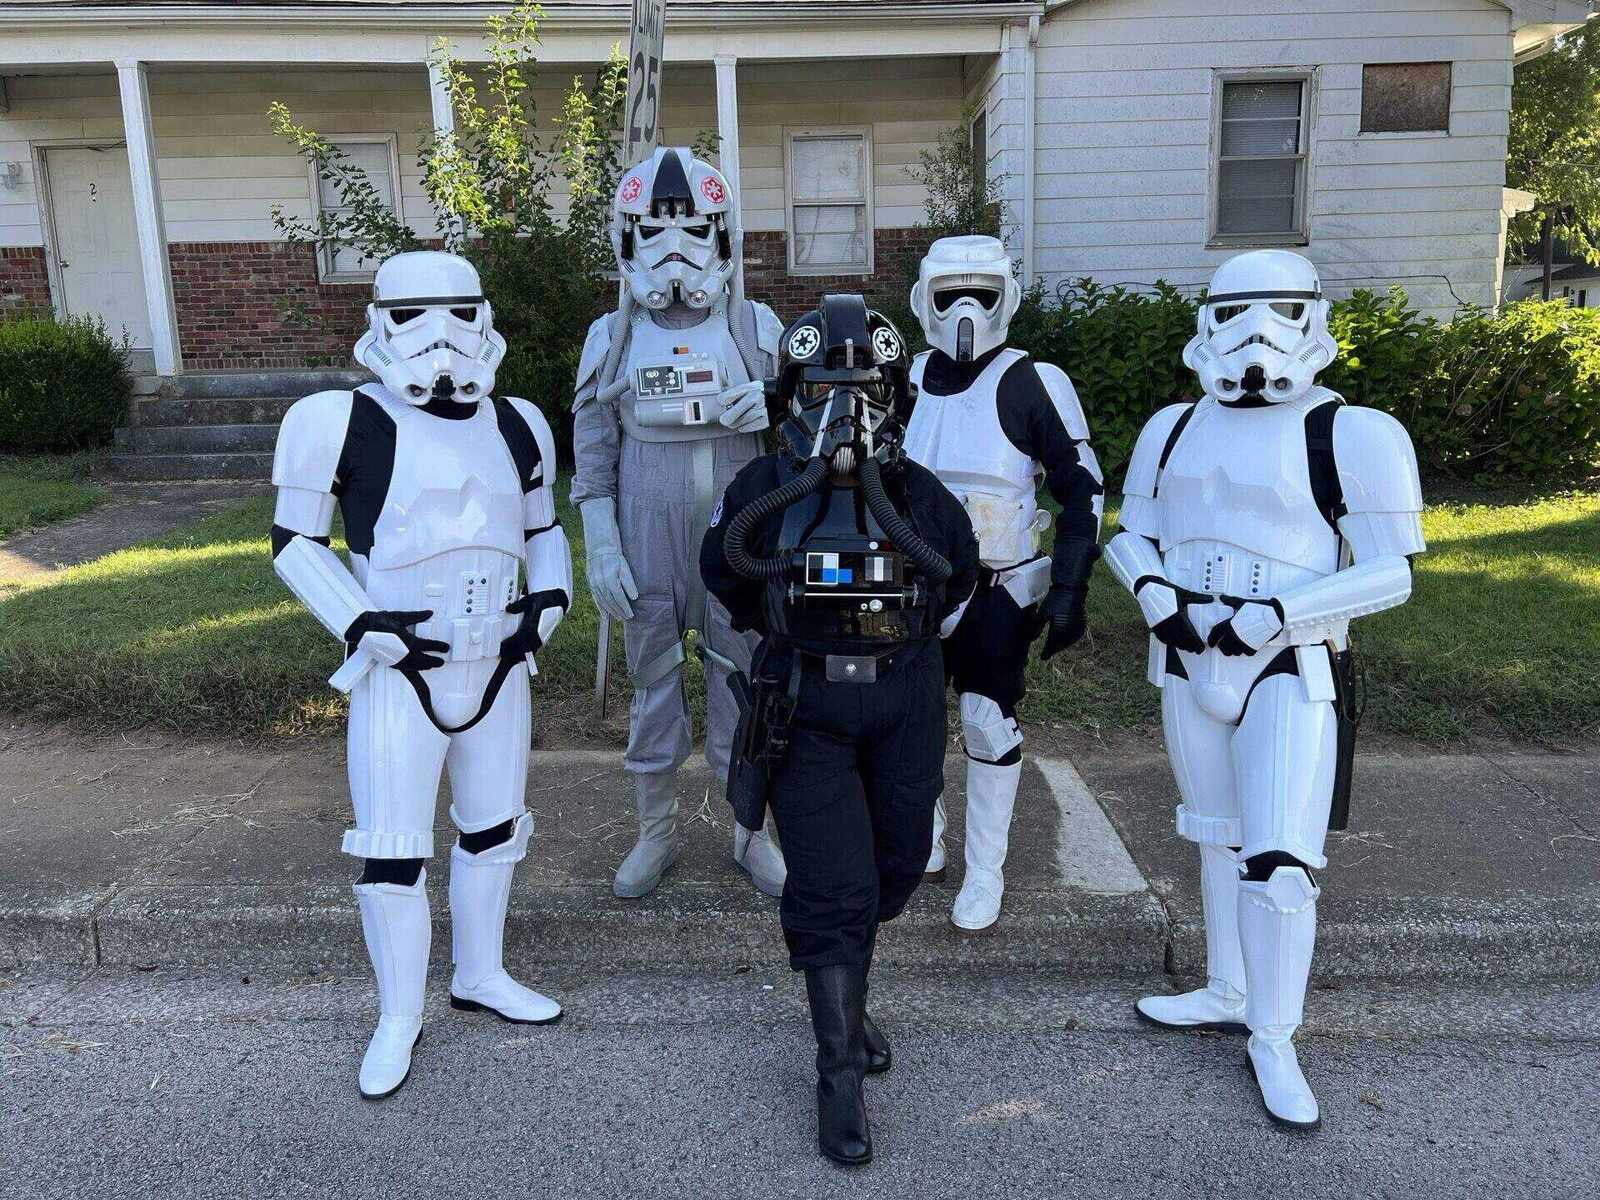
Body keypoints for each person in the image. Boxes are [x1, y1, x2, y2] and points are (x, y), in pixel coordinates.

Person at [1103, 249, 1425, 1129]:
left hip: (1290, 661)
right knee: (1213, 836)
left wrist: (1281, 611)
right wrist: (1152, 591)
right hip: (1186, 654)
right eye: (1234, 312)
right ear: (1205, 323)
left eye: (1279, 311)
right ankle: (1226, 987)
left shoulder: (1352, 432)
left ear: (1313, 319)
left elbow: (1392, 572)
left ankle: (1275, 1035)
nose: (1254, 334)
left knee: (1280, 860)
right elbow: (1132, 533)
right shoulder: (1171, 427)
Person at [270, 250, 573, 1100]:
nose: (439, 335)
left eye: (457, 311)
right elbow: (295, 541)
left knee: (493, 829)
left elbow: (544, 526)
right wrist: (360, 620)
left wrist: (548, 601)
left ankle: (480, 974)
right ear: (379, 322)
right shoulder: (336, 419)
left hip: (499, 664)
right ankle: (398, 1014)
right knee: (394, 850)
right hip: (396, 669)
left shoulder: (520, 421)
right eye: (413, 314)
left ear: (483, 315)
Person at [701, 295, 979, 1165]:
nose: (844, 410)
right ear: (794, 394)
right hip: (806, 708)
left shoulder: (923, 499)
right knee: (831, 888)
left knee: (895, 867)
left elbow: (958, 580)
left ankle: (850, 1004)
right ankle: (838, 1073)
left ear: (895, 396)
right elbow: (728, 578)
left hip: (903, 702)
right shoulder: (759, 493)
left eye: (863, 389)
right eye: (824, 389)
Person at [571, 146, 788, 900]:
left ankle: (750, 833)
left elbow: (806, 443)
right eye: (655, 234)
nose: (675, 253)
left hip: (738, 542)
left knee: (746, 687)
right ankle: (656, 834)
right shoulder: (611, 337)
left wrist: (779, 407)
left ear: (724, 237)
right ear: (626, 240)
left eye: (694, 232)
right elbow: (592, 462)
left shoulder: (757, 327)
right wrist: (601, 546)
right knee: (653, 689)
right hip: (646, 538)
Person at [903, 234, 1104, 932]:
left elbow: (1082, 490)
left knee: (987, 722)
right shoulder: (908, 378)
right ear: (922, 298)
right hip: (914, 585)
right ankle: (921, 842)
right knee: (913, 718)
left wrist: (1071, 584)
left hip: (998, 583)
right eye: (949, 293)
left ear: (1007, 298)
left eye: (981, 294)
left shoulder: (1031, 381)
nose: (965, 309)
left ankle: (984, 870)